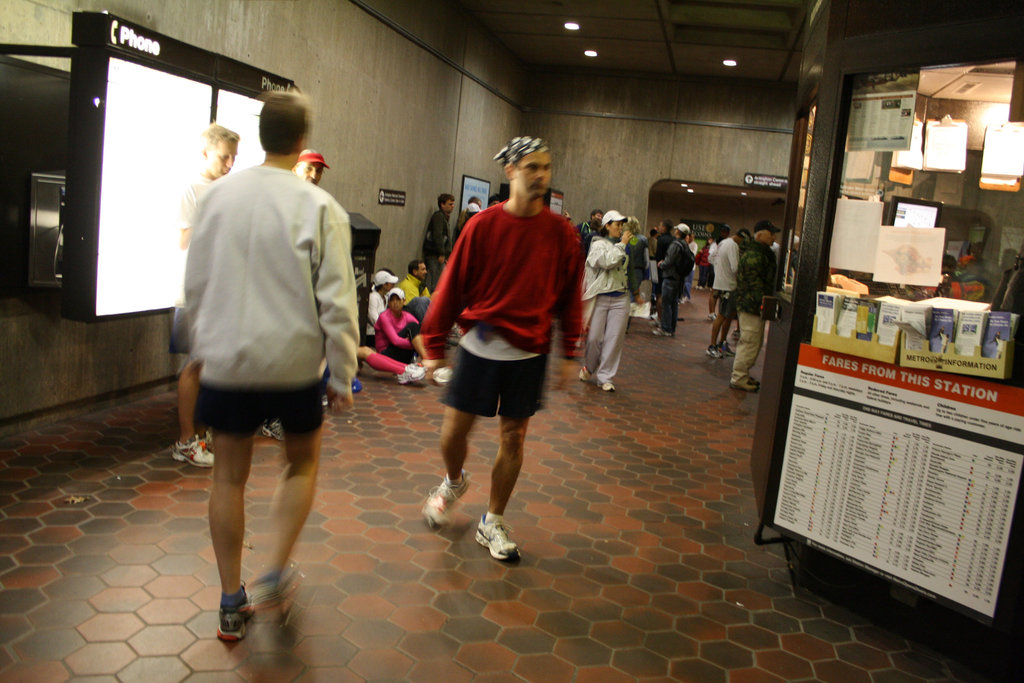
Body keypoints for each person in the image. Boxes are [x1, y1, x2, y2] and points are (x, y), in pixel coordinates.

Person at [184, 92, 359, 641]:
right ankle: (274, 571)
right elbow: (337, 298)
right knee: (300, 463)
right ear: (302, 140)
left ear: (260, 136)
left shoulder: (217, 198)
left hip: (229, 361)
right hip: (292, 366)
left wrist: (202, 345)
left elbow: (196, 281)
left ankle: (230, 600)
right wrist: (343, 368)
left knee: (228, 476)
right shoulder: (319, 207)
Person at [419, 136, 584, 562]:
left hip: (529, 352)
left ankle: (492, 520)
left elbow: (569, 294)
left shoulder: (561, 233)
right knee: (455, 432)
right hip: (479, 346)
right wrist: (433, 342)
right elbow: (451, 285)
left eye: (546, 167)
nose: (541, 175)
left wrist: (569, 352)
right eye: (532, 167)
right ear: (510, 171)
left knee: (514, 437)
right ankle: (453, 482)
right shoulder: (482, 226)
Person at [170, 122, 239, 467]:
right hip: (197, 291)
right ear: (206, 153)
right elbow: (184, 240)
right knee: (196, 364)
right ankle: (185, 440)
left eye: (233, 159)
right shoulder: (192, 189)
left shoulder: (227, 190)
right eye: (225, 158)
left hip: (222, 290)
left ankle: (201, 434)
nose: (230, 165)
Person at [580, 210, 639, 391]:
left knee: (614, 339)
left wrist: (636, 292)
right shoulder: (598, 244)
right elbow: (607, 261)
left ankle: (606, 377)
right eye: (617, 224)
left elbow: (631, 269)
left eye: (622, 225)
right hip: (601, 297)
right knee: (595, 338)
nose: (620, 228)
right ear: (607, 226)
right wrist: (621, 245)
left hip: (621, 296)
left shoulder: (626, 245)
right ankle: (589, 367)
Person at [731, 220, 779, 391]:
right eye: (771, 233)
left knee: (754, 341)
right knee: (750, 341)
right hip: (751, 305)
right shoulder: (755, 255)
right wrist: (763, 302)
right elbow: (754, 283)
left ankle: (743, 374)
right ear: (759, 234)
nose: (774, 236)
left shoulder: (762, 253)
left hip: (754, 305)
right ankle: (738, 377)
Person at [357, 289, 427, 384]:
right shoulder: (384, 317)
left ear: (404, 301)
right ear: (388, 303)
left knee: (415, 328)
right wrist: (414, 344)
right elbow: (395, 341)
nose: (395, 303)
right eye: (392, 300)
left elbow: (420, 331)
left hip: (400, 353)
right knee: (413, 329)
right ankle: (415, 366)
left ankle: (421, 363)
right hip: (386, 353)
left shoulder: (406, 316)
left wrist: (417, 341)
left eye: (398, 300)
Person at [707, 228, 747, 358]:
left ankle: (722, 343)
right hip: (729, 286)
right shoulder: (733, 245)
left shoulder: (723, 243)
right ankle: (712, 345)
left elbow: (711, 259)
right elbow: (735, 267)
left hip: (721, 284)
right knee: (722, 315)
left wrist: (720, 272)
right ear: (741, 237)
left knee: (728, 315)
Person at [653, 223, 693, 338]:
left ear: (678, 232)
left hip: (670, 276)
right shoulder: (685, 244)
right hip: (679, 278)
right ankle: (672, 328)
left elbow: (669, 261)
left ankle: (665, 328)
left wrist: (662, 264)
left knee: (666, 303)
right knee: (674, 303)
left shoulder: (675, 244)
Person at [422, 193, 454, 290]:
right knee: (434, 283)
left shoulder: (444, 217)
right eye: (450, 204)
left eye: (453, 204)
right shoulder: (439, 217)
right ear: (442, 204)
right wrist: (441, 253)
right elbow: (437, 235)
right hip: (435, 255)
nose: (452, 206)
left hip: (440, 256)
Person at [366, 269, 398, 347]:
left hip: (383, 333)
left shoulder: (386, 298)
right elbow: (374, 319)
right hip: (372, 335)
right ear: (384, 284)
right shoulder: (373, 297)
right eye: (391, 283)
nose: (393, 285)